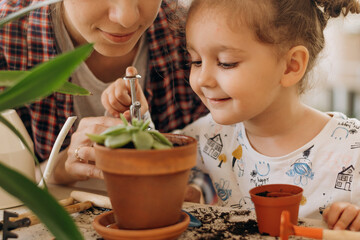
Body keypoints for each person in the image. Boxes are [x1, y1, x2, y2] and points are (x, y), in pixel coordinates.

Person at [102, 0, 360, 231]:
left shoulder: (352, 148)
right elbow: (156, 165)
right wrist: (137, 114)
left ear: (291, 66)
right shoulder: (211, 135)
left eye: (226, 63)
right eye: (196, 61)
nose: (202, 79)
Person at [0, 0, 207, 184]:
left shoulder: (185, 28)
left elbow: (221, 163)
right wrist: (58, 170)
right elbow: (7, 190)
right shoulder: (7, 36)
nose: (126, 18)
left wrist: (194, 187)